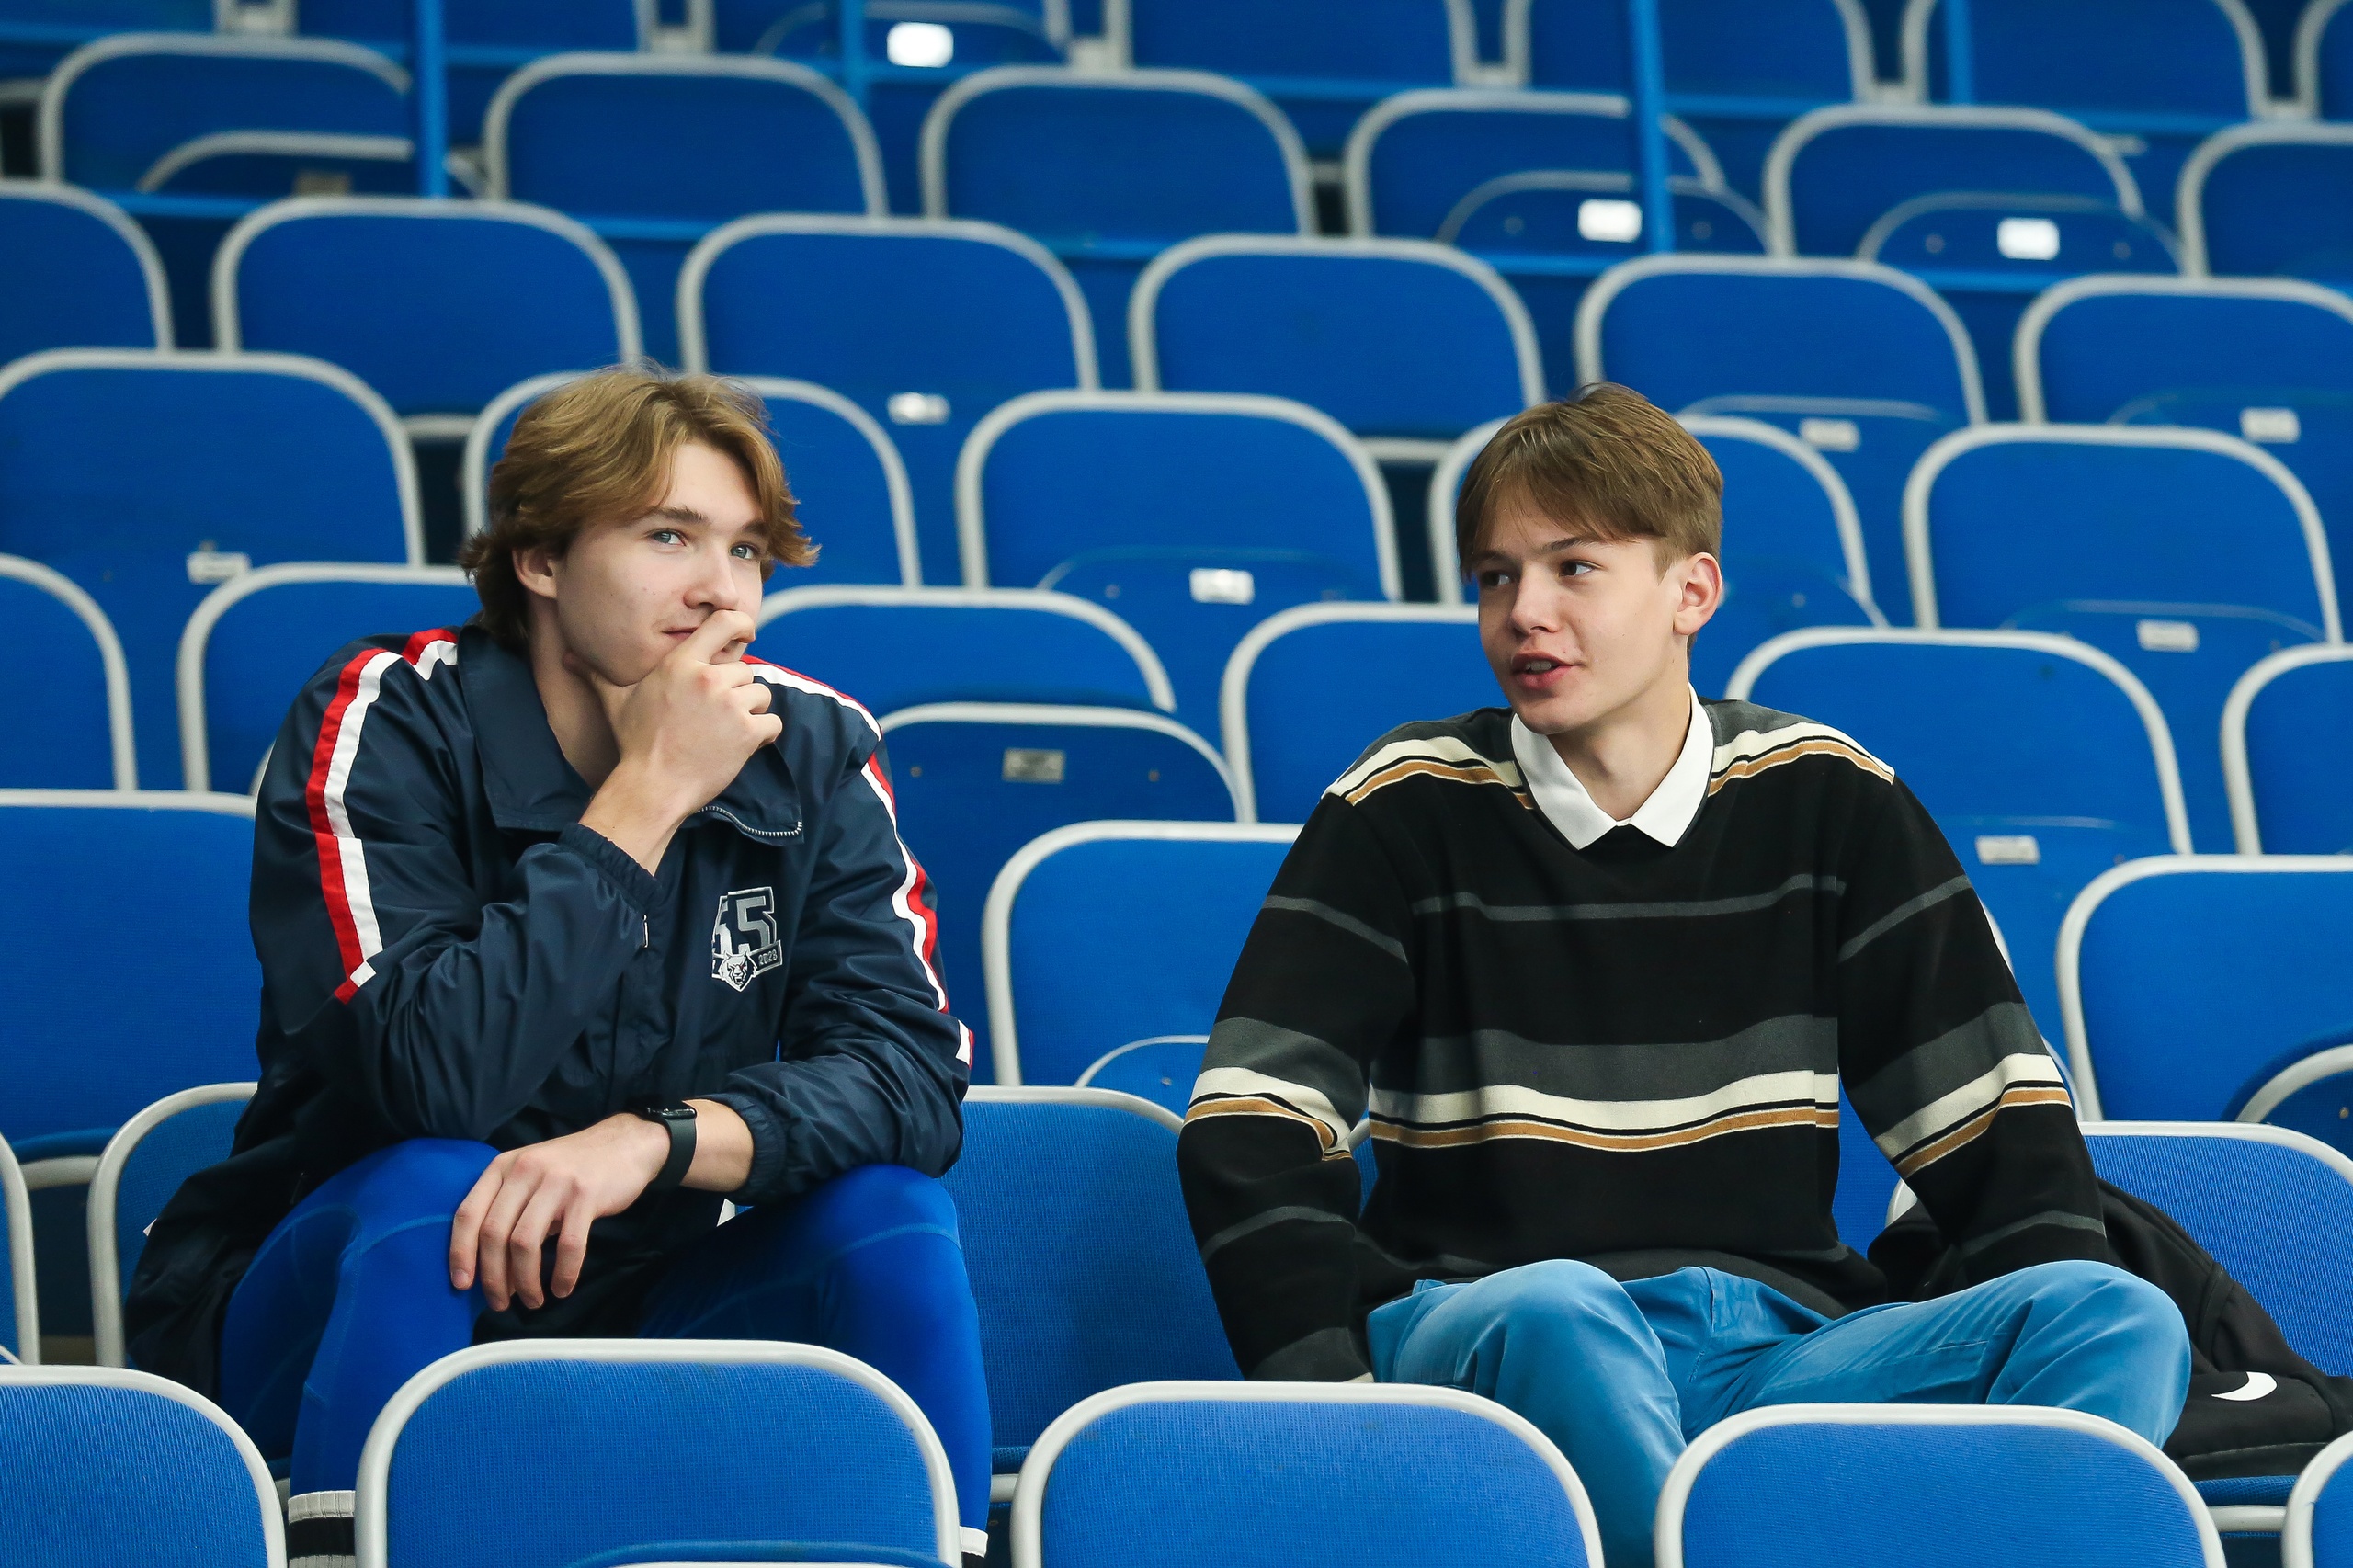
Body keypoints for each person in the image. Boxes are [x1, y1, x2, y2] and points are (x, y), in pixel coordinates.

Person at [1176, 386, 2190, 1568]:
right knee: (1560, 1306)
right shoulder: (1401, 803)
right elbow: (1251, 1121)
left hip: (1782, 1348)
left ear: (1690, 592)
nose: (1524, 612)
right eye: (1496, 576)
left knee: (2113, 1312)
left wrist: (1978, 1315)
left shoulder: (1829, 795)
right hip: (1502, 1326)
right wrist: (1329, 1390)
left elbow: (1994, 1126)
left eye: (1573, 567)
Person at [129, 368, 990, 1568]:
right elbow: (433, 1076)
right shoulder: (388, 712)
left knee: (896, 1216)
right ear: (540, 559)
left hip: (650, 1282)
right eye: (668, 536)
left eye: (746, 550)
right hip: (351, 1288)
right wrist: (646, 797)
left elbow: (911, 1078)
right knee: (435, 1182)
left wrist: (654, 1140)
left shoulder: (813, 742)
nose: (720, 589)